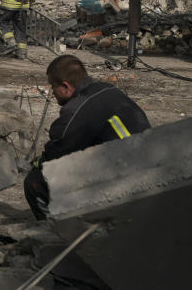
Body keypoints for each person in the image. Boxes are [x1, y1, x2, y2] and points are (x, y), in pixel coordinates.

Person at [23, 54, 150, 220]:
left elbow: (57, 152)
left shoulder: (76, 110)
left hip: (123, 178)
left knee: (35, 181)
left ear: (65, 86)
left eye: (53, 86)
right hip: (149, 162)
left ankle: (54, 233)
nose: (52, 92)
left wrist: (37, 163)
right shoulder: (108, 89)